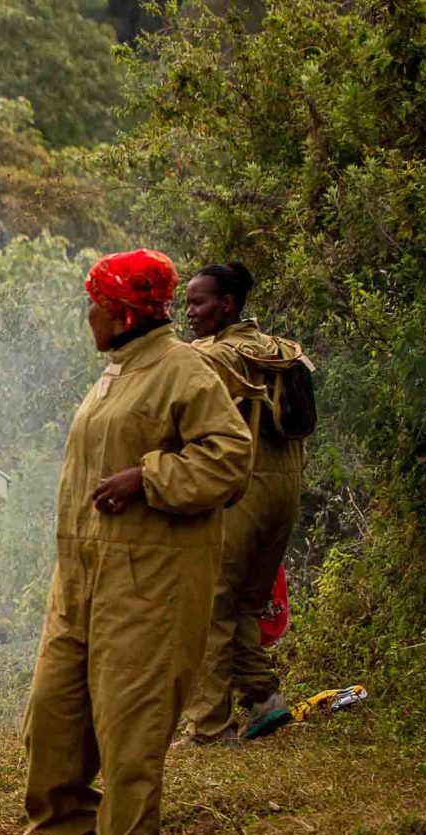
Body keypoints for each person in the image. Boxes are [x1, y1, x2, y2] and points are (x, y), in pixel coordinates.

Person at [23, 250, 253, 835]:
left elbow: (230, 458)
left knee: (133, 720)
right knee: (53, 712)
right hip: (82, 576)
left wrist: (149, 478)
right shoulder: (118, 373)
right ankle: (71, 828)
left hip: (150, 579)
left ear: (121, 311)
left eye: (94, 304)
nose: (88, 317)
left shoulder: (186, 371)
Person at [179, 262, 311, 744]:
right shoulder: (281, 350)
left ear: (227, 304)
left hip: (241, 491)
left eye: (198, 302)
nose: (188, 312)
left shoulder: (213, 356)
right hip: (284, 493)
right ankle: (264, 700)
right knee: (243, 603)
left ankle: (210, 726)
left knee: (207, 605)